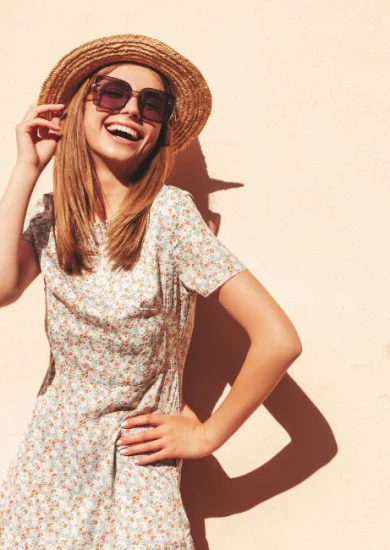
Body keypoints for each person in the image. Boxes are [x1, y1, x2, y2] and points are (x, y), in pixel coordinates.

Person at [0, 34, 302, 549]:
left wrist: (207, 435)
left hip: (135, 468)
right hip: (49, 465)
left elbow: (278, 339)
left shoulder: (171, 217)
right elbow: (2, 288)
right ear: (75, 110)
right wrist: (28, 166)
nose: (132, 109)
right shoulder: (54, 218)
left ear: (159, 131)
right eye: (111, 92)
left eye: (151, 103)